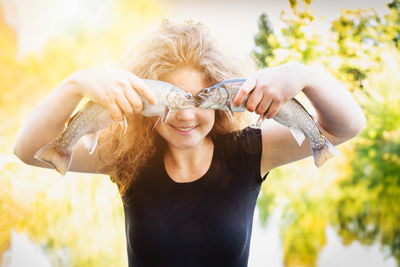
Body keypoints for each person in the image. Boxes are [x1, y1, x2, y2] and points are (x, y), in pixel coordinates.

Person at [13, 20, 366, 267]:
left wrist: (304, 74)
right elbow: (28, 151)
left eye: (199, 99)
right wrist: (75, 84)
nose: (185, 115)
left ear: (222, 99)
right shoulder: (125, 156)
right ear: (145, 101)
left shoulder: (250, 151)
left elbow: (346, 127)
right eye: (171, 101)